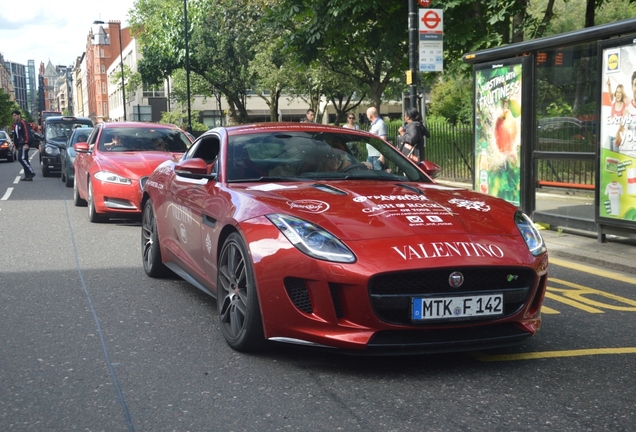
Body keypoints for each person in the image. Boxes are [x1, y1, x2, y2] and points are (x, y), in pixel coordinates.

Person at [12, 110, 36, 181]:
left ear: (19, 115)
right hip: (20, 144)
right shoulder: (16, 124)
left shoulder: (23, 123)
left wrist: (26, 143)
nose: (14, 117)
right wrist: (15, 145)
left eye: (15, 115)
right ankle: (28, 176)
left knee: (21, 158)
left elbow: (27, 133)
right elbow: (16, 136)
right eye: (13, 116)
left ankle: (31, 172)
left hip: (24, 144)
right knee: (24, 159)